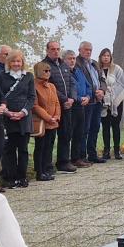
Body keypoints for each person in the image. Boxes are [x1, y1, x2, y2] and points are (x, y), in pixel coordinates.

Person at [0, 50, 36, 189]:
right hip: (7, 117)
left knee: (23, 149)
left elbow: (31, 97)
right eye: (13, 61)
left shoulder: (29, 76)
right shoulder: (2, 76)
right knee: (9, 149)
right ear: (8, 62)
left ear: (22, 62)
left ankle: (22, 177)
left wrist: (22, 112)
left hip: (24, 118)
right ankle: (10, 178)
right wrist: (7, 112)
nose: (16, 64)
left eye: (18, 61)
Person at [42, 42, 76, 173]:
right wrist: (64, 99)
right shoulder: (44, 65)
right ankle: (46, 165)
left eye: (57, 49)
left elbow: (72, 82)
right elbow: (49, 86)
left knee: (66, 134)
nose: (56, 52)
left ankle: (63, 162)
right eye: (53, 49)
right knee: (50, 137)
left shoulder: (63, 65)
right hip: (53, 106)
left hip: (68, 106)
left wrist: (72, 98)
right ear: (47, 50)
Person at [58, 50, 90, 168]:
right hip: (71, 105)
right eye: (69, 58)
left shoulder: (79, 71)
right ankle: (66, 160)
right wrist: (77, 98)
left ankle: (77, 158)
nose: (72, 61)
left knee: (79, 133)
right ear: (64, 59)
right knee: (68, 133)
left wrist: (88, 96)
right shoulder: (63, 72)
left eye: (73, 58)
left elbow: (88, 85)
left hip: (81, 105)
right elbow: (71, 89)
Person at [74, 42, 105, 166]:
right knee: (84, 129)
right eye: (86, 50)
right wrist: (93, 92)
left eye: (90, 50)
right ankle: (82, 155)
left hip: (98, 100)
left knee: (95, 128)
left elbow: (102, 79)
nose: (88, 52)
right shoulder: (77, 63)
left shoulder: (94, 63)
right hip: (87, 101)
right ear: (80, 50)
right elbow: (81, 83)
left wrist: (102, 90)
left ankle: (92, 154)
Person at [32, 61, 63, 180]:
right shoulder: (34, 86)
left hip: (53, 122)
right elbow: (35, 106)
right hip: (41, 122)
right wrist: (48, 118)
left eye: (49, 71)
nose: (48, 73)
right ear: (39, 71)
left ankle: (46, 169)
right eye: (45, 71)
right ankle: (39, 171)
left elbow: (56, 103)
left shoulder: (52, 86)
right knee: (40, 147)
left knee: (49, 146)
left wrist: (57, 116)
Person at [96, 48, 124, 161]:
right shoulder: (97, 69)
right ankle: (106, 150)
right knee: (105, 126)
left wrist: (111, 92)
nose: (106, 57)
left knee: (115, 126)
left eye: (108, 55)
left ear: (111, 57)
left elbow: (121, 85)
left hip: (115, 101)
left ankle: (117, 150)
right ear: (100, 57)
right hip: (102, 101)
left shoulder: (117, 69)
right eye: (104, 55)